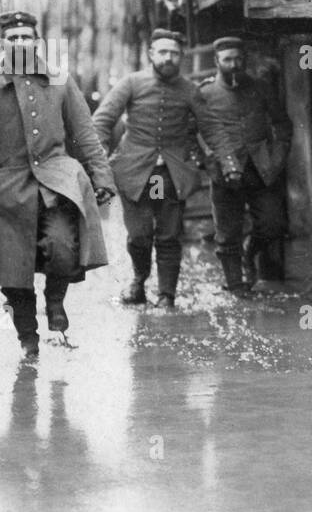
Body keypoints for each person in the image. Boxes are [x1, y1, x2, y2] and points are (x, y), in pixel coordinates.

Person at [0, 10, 116, 358]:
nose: (20, 43)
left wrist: (102, 176)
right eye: (12, 39)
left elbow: (86, 133)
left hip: (56, 182)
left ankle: (55, 300)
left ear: (37, 42)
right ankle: (28, 338)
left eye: (26, 37)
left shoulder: (59, 81)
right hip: (7, 187)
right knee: (12, 274)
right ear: (2, 44)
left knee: (62, 246)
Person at [92, 28, 225, 308]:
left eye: (174, 53)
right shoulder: (131, 83)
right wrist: (98, 157)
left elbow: (211, 128)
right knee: (139, 235)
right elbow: (102, 120)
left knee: (168, 235)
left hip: (170, 175)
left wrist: (226, 161)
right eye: (163, 52)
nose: (169, 58)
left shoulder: (190, 90)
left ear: (181, 57)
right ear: (151, 54)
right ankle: (139, 281)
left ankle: (167, 294)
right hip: (135, 171)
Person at [198, 37, 293, 294]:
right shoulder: (205, 93)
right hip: (224, 172)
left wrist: (276, 159)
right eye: (227, 59)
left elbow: (282, 124)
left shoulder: (261, 88)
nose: (234, 64)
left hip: (262, 169)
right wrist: (209, 162)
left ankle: (249, 254)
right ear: (217, 61)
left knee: (274, 225)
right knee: (227, 234)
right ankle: (237, 286)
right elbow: (193, 132)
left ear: (245, 59)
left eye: (238, 58)